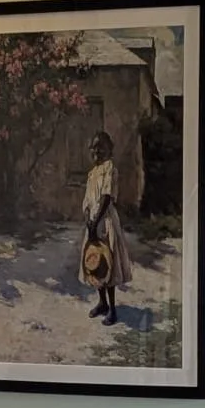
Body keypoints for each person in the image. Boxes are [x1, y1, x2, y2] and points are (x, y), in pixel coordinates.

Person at [78, 131, 131, 327]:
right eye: (94, 147)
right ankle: (102, 302)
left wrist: (97, 221)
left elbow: (107, 197)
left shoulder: (110, 169)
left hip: (105, 220)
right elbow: (87, 201)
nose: (96, 150)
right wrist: (88, 222)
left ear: (109, 148)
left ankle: (113, 309)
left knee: (108, 261)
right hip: (93, 222)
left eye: (101, 146)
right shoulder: (92, 174)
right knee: (95, 262)